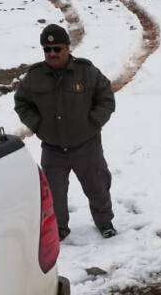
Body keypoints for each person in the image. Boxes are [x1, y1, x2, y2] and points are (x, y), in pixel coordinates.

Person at [14, 24, 117, 239]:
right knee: (54, 194)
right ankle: (59, 228)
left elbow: (106, 97)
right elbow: (22, 103)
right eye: (47, 49)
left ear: (68, 48)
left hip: (86, 146)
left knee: (98, 187)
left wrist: (93, 122)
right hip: (53, 150)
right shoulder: (34, 77)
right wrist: (38, 125)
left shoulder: (86, 72)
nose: (52, 53)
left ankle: (104, 222)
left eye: (57, 49)